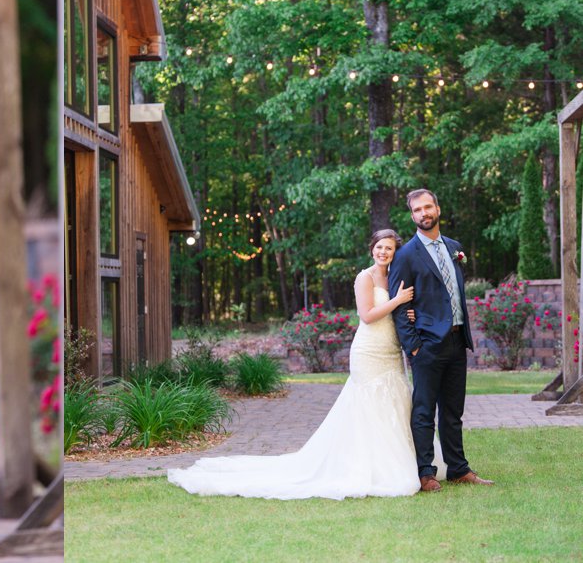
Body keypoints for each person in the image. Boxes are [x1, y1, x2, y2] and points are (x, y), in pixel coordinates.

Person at [168, 229, 441, 500]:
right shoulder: (365, 277)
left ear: (395, 252)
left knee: (395, 402)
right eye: (379, 247)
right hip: (369, 350)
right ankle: (372, 469)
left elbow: (397, 312)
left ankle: (405, 463)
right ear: (372, 249)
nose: (383, 252)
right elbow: (367, 315)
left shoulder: (394, 276)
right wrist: (397, 301)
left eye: (389, 248)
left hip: (392, 350)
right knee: (370, 406)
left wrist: (407, 311)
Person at [389, 188, 494, 491]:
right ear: (412, 215)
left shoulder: (454, 247)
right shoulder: (405, 255)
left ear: (437, 209)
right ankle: (426, 473)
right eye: (417, 210)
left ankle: (459, 469)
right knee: (424, 412)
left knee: (453, 411)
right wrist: (414, 347)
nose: (423, 213)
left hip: (457, 341)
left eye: (427, 207)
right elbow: (400, 306)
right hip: (427, 346)